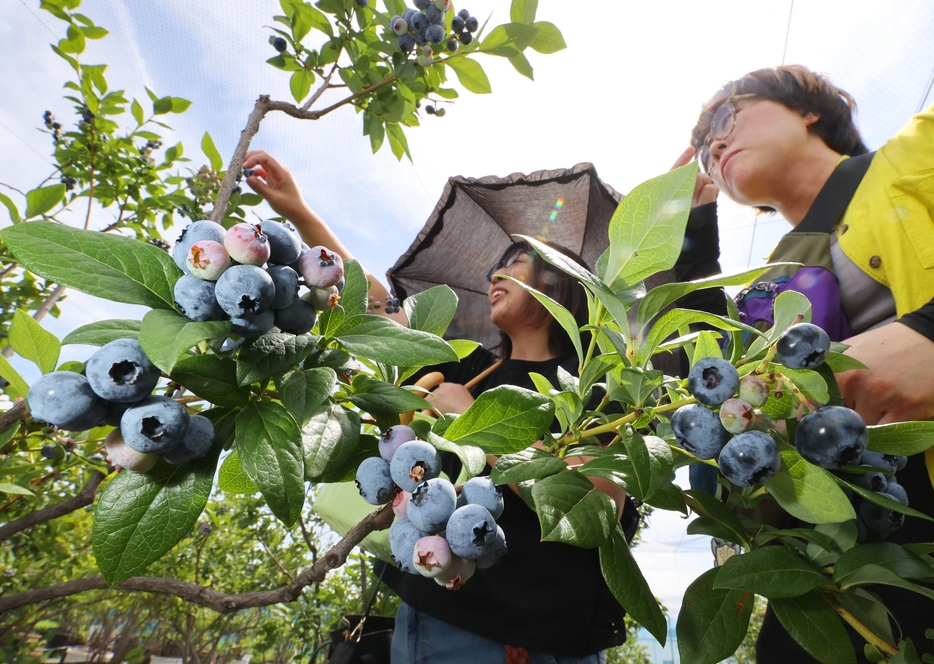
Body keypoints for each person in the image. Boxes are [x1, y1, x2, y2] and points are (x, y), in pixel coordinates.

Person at [241, 151, 639, 663]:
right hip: (432, 611)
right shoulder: (466, 363)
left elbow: (597, 503)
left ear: (560, 284)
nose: (498, 272)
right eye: (498, 263)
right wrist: (300, 211)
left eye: (517, 263)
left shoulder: (592, 391)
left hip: (536, 634)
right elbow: (375, 311)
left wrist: (471, 423)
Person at [682, 65, 934, 661]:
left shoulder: (917, 154)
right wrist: (689, 231)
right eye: (700, 148)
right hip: (840, 583)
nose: (712, 144)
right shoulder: (766, 282)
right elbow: (706, 395)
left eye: (723, 117)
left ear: (807, 109)